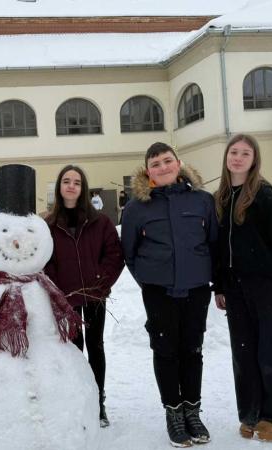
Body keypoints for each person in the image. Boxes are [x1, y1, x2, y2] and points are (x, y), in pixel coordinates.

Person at [121, 142, 218, 448]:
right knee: (166, 351)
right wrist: (150, 281)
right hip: (158, 291)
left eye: (167, 161)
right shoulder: (137, 207)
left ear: (178, 163)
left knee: (192, 350)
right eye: (156, 164)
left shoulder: (202, 200)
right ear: (147, 171)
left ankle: (192, 410)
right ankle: (173, 412)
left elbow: (213, 243)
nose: (162, 167)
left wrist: (208, 277)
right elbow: (130, 252)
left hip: (197, 289)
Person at [212, 134, 272, 442]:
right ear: (226, 157)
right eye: (233, 152)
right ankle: (251, 413)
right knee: (244, 354)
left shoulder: (263, 197)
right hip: (236, 291)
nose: (237, 158)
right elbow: (218, 250)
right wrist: (220, 287)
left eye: (245, 153)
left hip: (268, 289)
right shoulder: (221, 198)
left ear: (254, 160)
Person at [44, 165, 124, 428]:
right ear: (59, 187)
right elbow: (45, 260)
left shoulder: (100, 222)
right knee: (74, 351)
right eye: (66, 181)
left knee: (96, 347)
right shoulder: (49, 224)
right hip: (65, 299)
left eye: (76, 182)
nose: (71, 186)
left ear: (83, 188)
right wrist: (57, 290)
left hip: (94, 297)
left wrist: (99, 283)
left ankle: (98, 403)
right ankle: (79, 402)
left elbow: (114, 255)